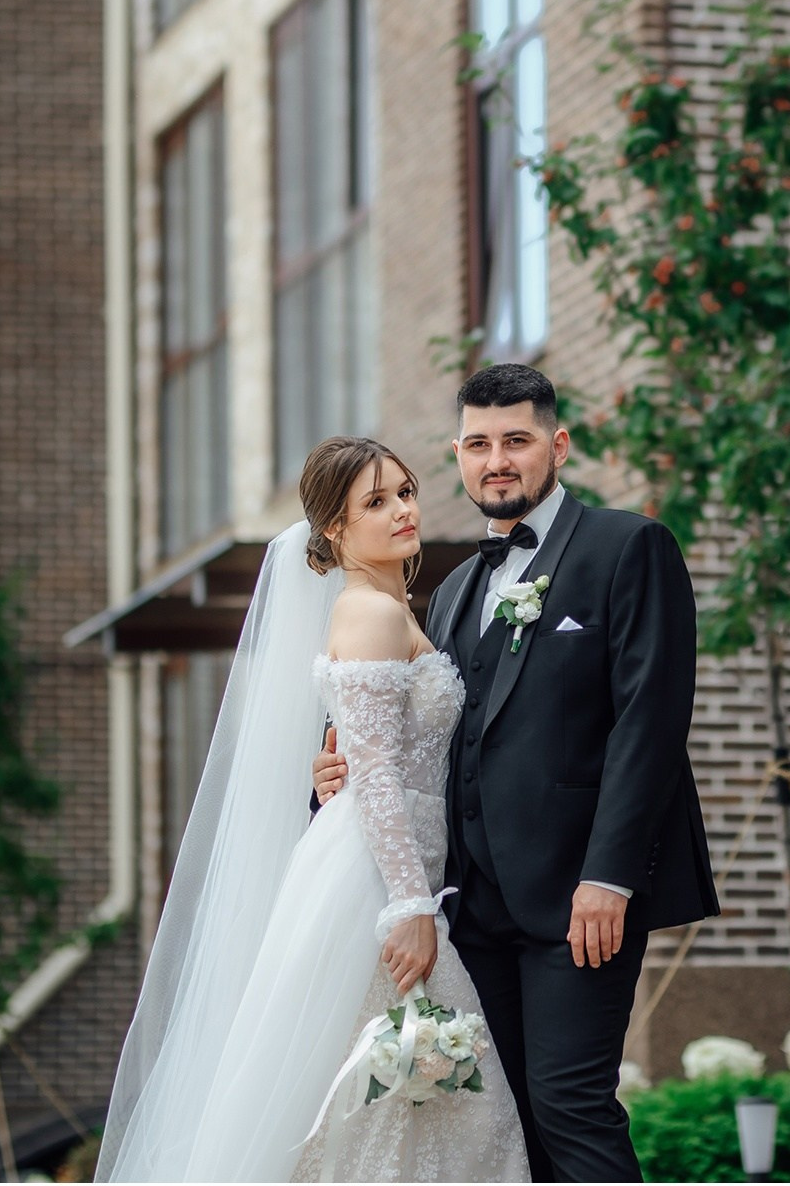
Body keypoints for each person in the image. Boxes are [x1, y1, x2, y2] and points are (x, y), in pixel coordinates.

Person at [314, 363, 718, 1182]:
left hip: (580, 901)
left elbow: (650, 722)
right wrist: (335, 775)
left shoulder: (629, 548)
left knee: (571, 1103)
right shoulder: (455, 589)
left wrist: (610, 877)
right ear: (459, 454)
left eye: (517, 441)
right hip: (472, 910)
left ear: (557, 446)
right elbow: (430, 734)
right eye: (477, 444)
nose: (497, 460)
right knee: (510, 1127)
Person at [95, 436, 528, 1182]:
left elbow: (364, 757)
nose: (401, 510)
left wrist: (341, 778)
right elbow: (380, 777)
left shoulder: (394, 609)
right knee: (404, 1098)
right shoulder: (369, 615)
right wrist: (409, 909)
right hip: (375, 884)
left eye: (403, 491)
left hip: (393, 867)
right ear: (333, 527)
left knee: (403, 1103)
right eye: (375, 501)